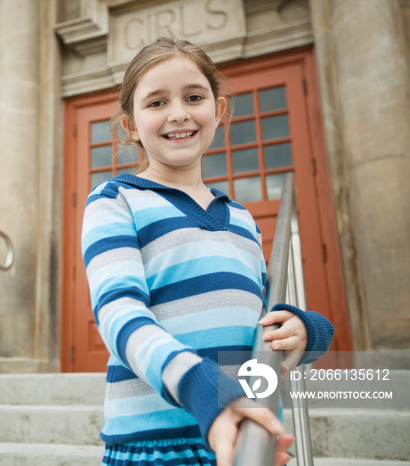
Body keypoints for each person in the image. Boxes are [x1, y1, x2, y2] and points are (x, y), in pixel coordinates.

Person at [81, 37, 334, 466]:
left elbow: (261, 319)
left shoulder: (242, 218)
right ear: (130, 125)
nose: (178, 112)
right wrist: (204, 388)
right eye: (157, 102)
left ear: (217, 111)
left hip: (244, 437)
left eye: (193, 97)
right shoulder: (114, 201)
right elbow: (118, 313)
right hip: (154, 446)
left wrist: (305, 330)